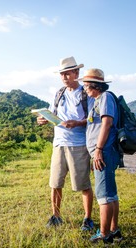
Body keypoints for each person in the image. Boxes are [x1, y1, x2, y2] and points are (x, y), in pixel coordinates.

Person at [37, 56, 94, 231]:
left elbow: (94, 117)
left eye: (67, 74)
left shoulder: (86, 94)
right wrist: (43, 119)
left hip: (79, 145)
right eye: (62, 74)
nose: (64, 77)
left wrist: (77, 123)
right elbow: (52, 113)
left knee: (83, 184)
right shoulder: (59, 93)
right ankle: (56, 216)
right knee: (55, 183)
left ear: (76, 73)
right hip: (58, 144)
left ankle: (87, 219)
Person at [76, 68, 123, 243]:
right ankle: (114, 230)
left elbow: (107, 123)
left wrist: (98, 149)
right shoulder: (100, 99)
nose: (84, 89)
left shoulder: (105, 98)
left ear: (94, 85)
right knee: (111, 193)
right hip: (105, 151)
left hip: (104, 152)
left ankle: (104, 234)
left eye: (86, 85)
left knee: (103, 194)